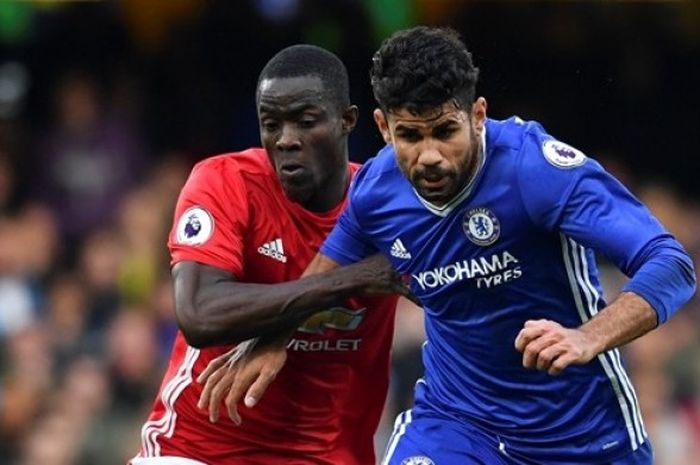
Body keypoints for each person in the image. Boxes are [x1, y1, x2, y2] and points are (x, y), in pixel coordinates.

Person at [203, 26, 696, 464]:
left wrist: (588, 335)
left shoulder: (536, 170)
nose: (430, 156)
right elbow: (325, 276)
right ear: (382, 127)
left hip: (582, 438)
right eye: (410, 136)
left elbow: (672, 264)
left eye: (445, 131)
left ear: (477, 114)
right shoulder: (376, 193)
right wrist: (273, 339)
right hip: (458, 427)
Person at [131, 44, 409, 465]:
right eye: (271, 124)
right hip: (200, 446)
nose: (287, 141)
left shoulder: (386, 204)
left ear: (347, 121)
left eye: (305, 121)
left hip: (328, 454)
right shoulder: (225, 182)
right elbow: (200, 314)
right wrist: (356, 277)